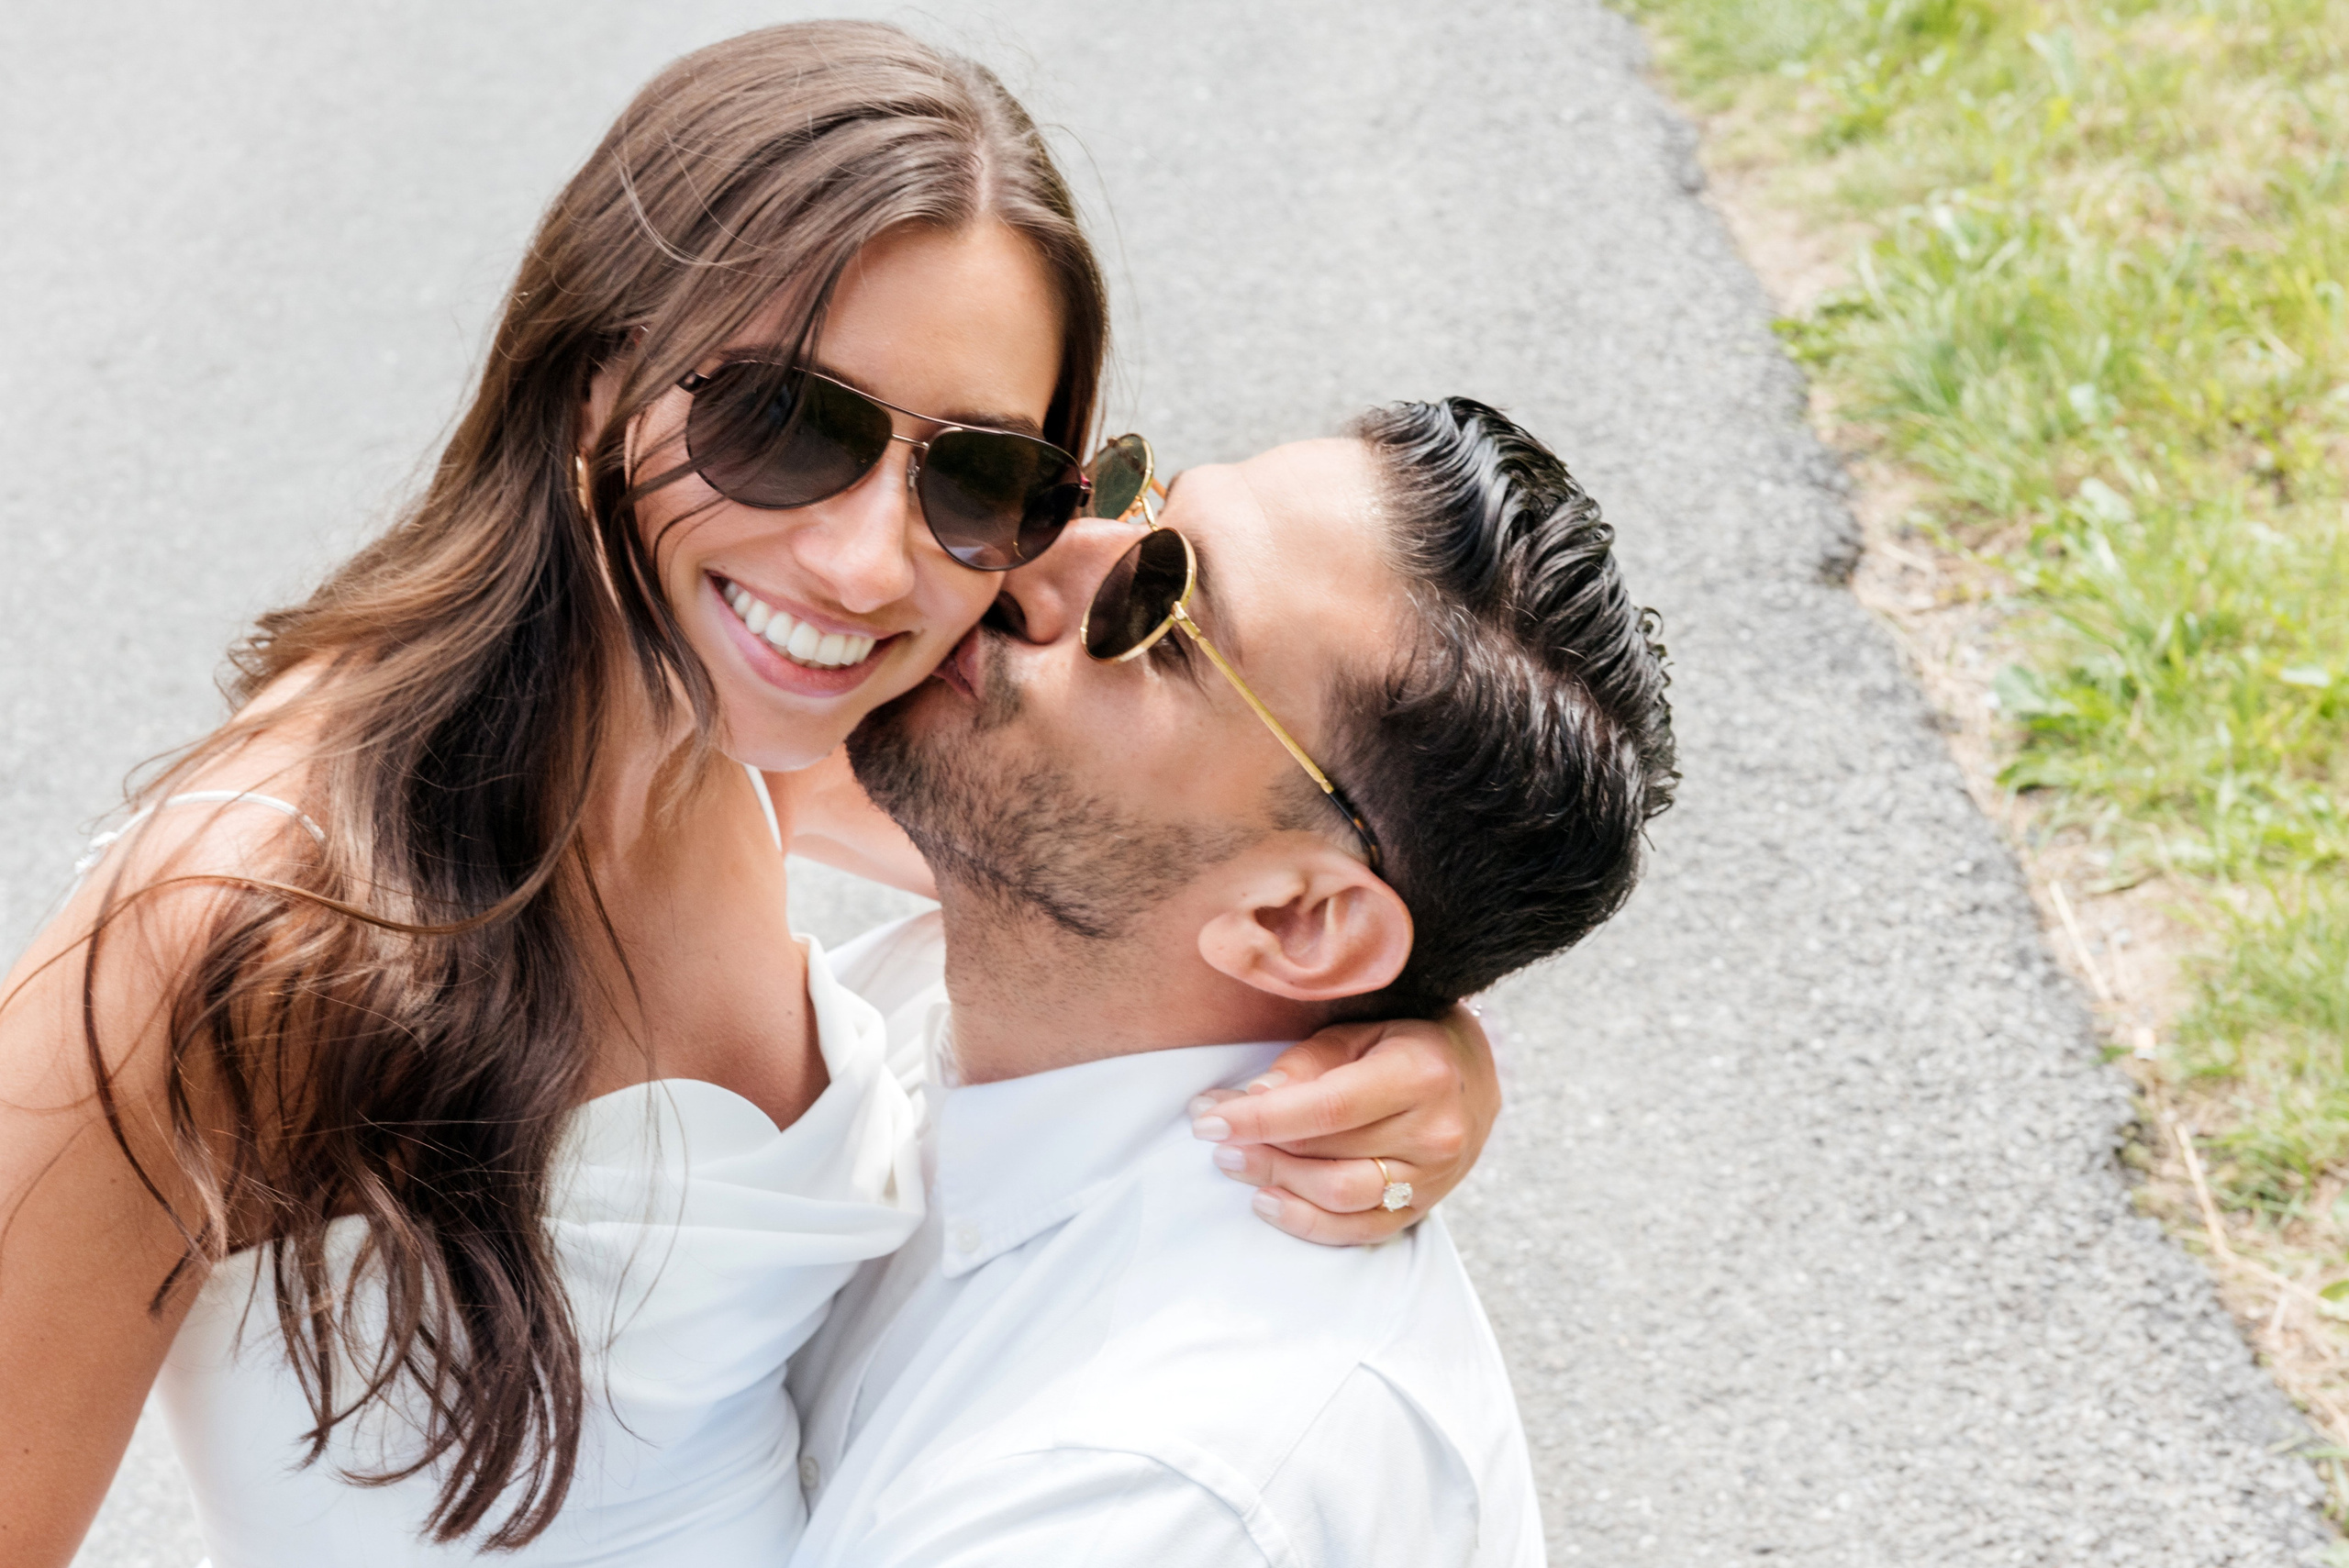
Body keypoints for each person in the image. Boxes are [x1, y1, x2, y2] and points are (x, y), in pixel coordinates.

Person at [0, 25, 1501, 1566]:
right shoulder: (230, 930)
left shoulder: (768, 733)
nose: (864, 564)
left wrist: (1417, 1041)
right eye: (784, 422)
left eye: (976, 479)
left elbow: (1171, 884)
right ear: (594, 373)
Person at [786, 398, 1678, 1565]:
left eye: (1157, 611)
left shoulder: (1142, 1492)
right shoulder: (1021, 955)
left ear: (1296, 919)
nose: (1037, 550)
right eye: (1135, 502)